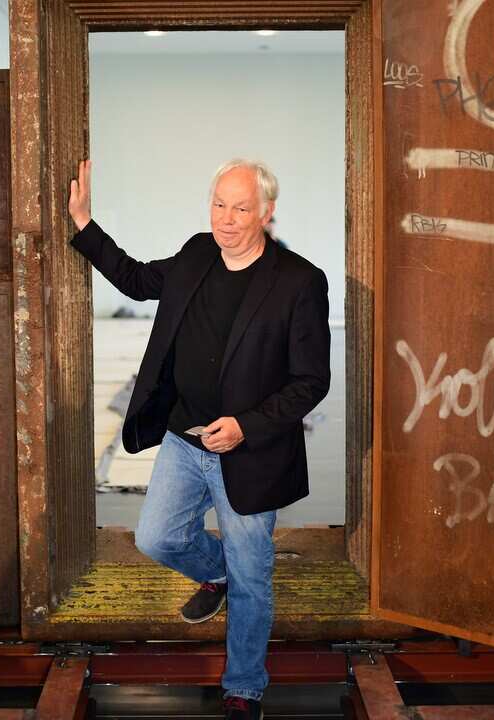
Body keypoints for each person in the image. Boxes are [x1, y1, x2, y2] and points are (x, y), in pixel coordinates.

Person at [67, 158, 330, 719]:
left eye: (240, 208)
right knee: (157, 539)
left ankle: (244, 689)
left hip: (251, 452)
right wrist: (85, 224)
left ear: (266, 211)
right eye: (218, 204)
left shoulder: (300, 281)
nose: (226, 220)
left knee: (254, 578)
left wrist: (246, 426)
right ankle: (215, 573)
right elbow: (138, 281)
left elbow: (312, 380)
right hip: (186, 440)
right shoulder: (195, 254)